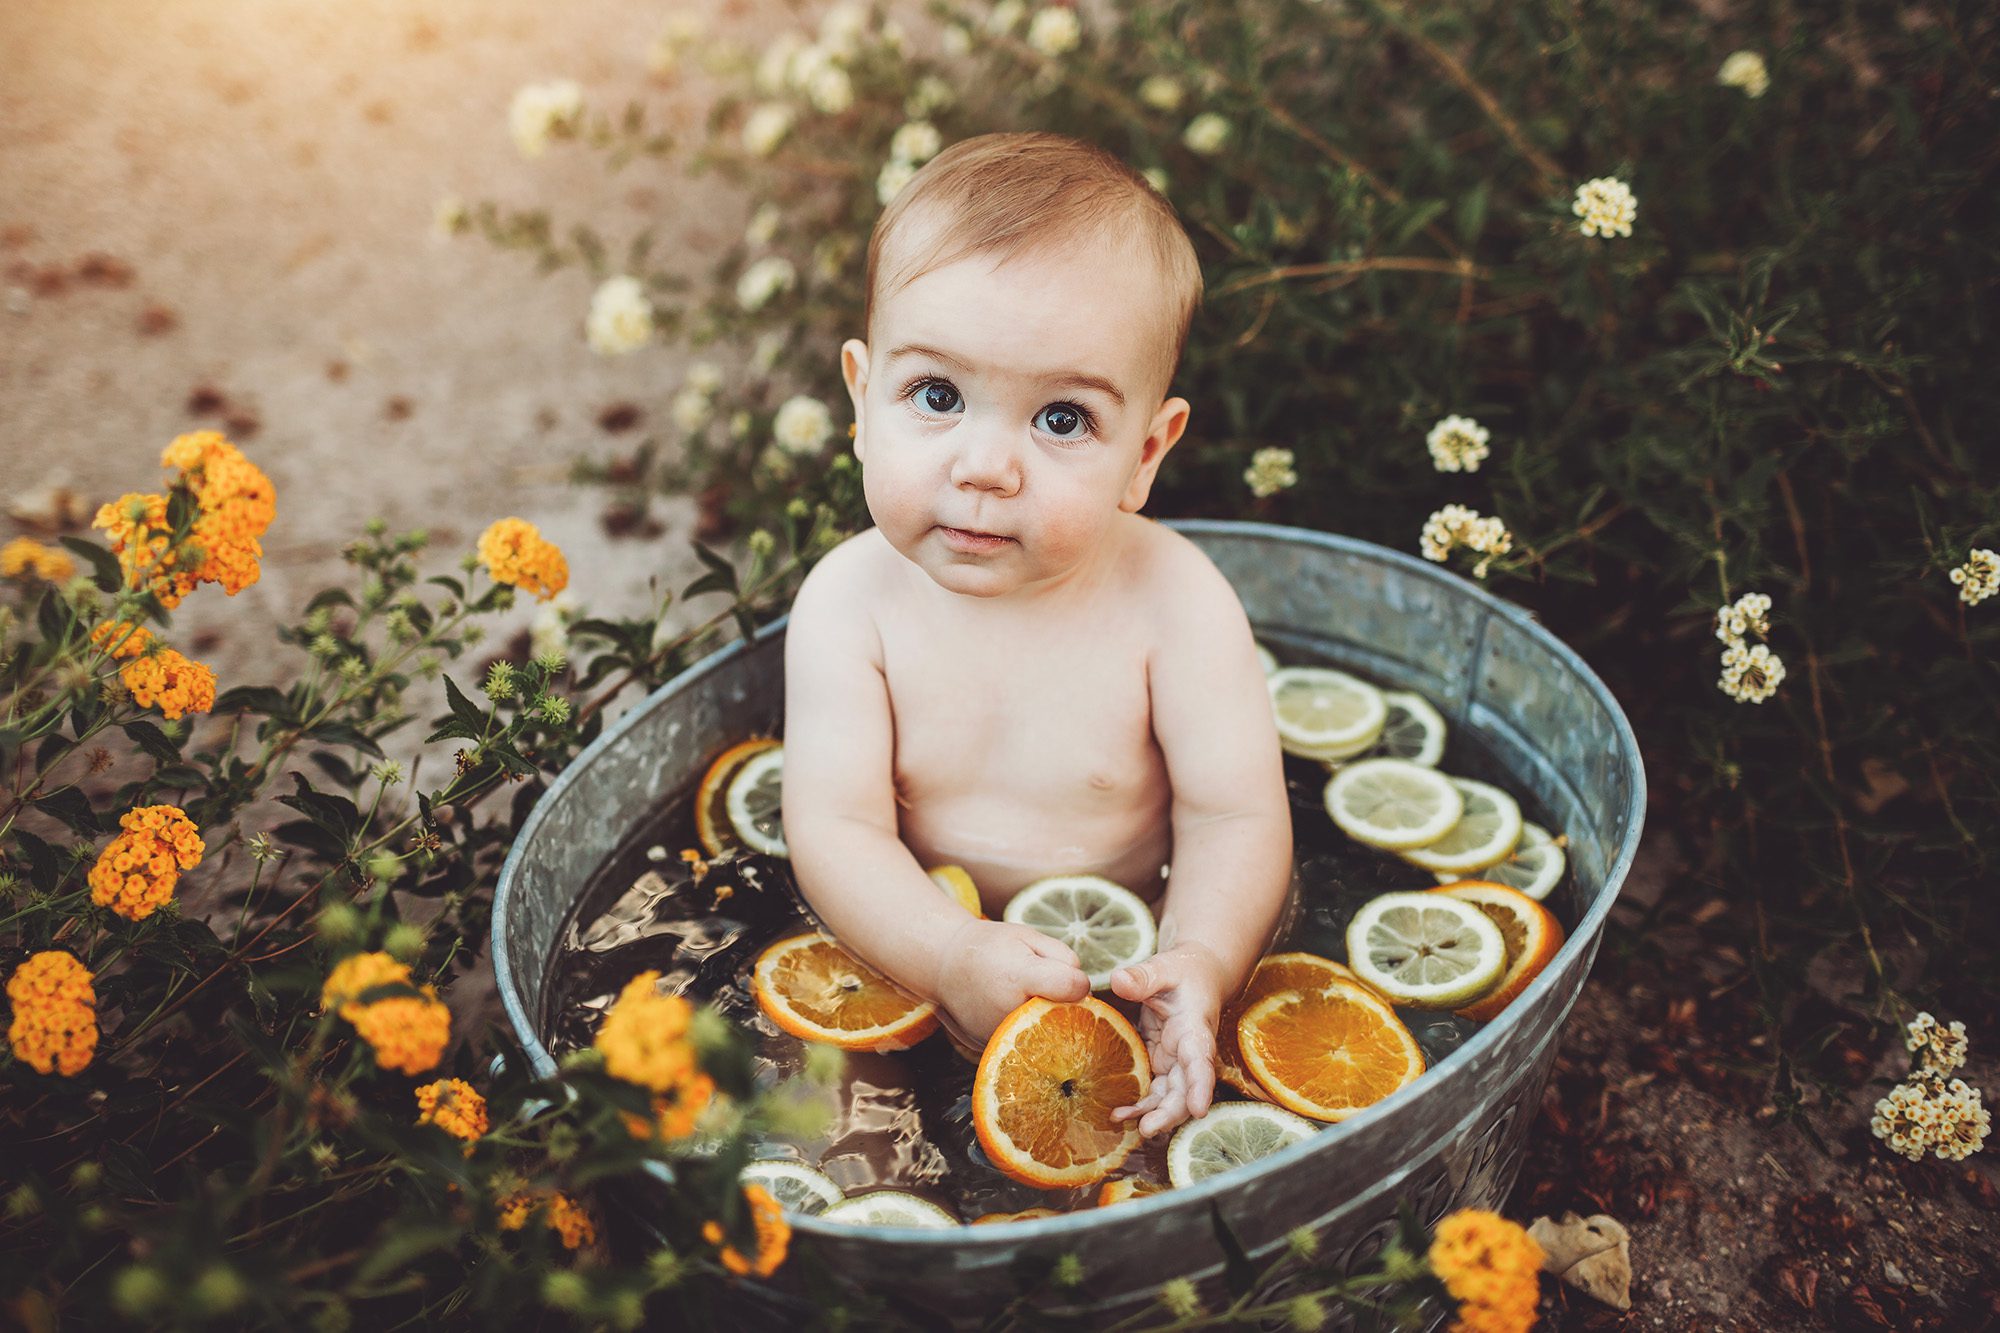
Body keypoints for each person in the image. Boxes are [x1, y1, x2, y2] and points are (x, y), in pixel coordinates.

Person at [780, 131, 1293, 1138]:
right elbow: (835, 830)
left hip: (1135, 942)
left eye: (1060, 419)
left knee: (1174, 1123)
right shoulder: (848, 605)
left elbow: (1232, 818)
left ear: (1145, 453)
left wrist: (1201, 959)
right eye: (936, 396)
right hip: (911, 939)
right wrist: (943, 953)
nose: (985, 466)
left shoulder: (1175, 602)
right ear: (859, 399)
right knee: (837, 1127)